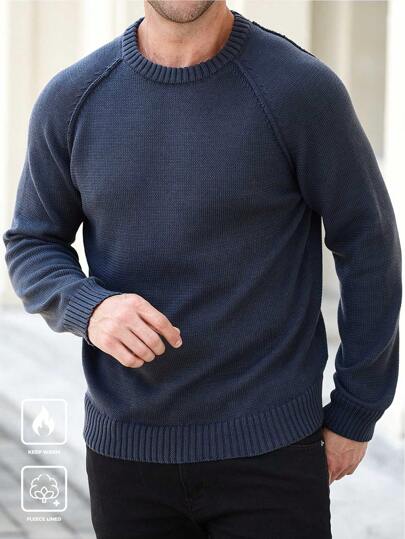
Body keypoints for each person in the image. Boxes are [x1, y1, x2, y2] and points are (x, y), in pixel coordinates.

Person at [3, 1, 402, 538]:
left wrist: (357, 409)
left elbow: (369, 245)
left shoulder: (300, 91)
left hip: (272, 453)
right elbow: (31, 242)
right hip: (127, 458)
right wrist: (90, 309)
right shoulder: (73, 99)